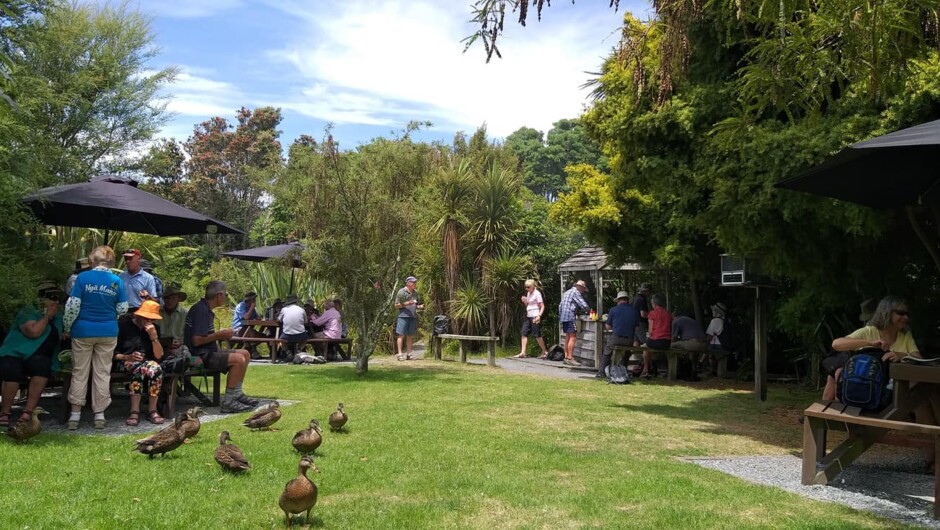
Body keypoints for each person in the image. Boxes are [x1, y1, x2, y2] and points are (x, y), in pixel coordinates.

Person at [63, 245, 128, 430]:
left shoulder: (83, 278)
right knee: (102, 372)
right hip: (108, 331)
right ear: (111, 261)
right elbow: (123, 308)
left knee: (79, 371)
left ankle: (74, 416)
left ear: (93, 260)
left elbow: (72, 306)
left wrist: (67, 326)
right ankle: (99, 415)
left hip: (83, 331)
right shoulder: (116, 281)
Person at [184, 280, 259, 413]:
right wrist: (220, 335)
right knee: (238, 359)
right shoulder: (201, 310)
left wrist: (219, 335)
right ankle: (228, 401)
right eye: (225, 294)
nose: (226, 297)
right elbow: (196, 341)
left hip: (209, 350)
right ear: (218, 295)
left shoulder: (204, 308)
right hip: (200, 354)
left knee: (245, 353)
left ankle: (237, 393)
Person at [0, 282, 66, 428]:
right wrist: (47, 316)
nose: (55, 301)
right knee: (12, 370)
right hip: (16, 352)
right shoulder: (28, 311)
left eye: (57, 298)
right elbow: (33, 332)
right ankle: (5, 413)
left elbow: (63, 333)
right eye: (51, 297)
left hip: (40, 357)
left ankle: (28, 412)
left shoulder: (59, 316)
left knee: (42, 366)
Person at [827, 296, 920, 398]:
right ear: (887, 312)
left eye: (907, 314)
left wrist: (902, 355)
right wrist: (869, 342)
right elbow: (836, 344)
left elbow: (919, 359)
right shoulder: (869, 331)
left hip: (895, 390)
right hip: (867, 389)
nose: (906, 317)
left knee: (922, 399)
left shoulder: (905, 335)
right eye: (901, 313)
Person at [114, 300, 165, 426]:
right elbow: (113, 354)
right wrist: (128, 356)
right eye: (148, 318)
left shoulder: (154, 329)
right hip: (125, 361)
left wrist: (154, 337)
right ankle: (134, 410)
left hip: (147, 362)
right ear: (139, 316)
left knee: (156, 368)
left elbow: (159, 355)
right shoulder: (123, 327)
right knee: (138, 368)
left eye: (153, 319)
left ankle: (152, 410)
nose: (150, 322)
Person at [821, 298, 876, 400]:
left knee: (839, 374)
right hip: (861, 364)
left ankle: (839, 411)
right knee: (833, 375)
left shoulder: (891, 332)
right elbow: (838, 344)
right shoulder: (866, 330)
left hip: (871, 369)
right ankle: (825, 411)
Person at [597, 290, 639, 379]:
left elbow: (608, 327)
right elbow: (636, 326)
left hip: (616, 338)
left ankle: (602, 372)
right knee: (627, 353)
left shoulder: (613, 310)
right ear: (627, 300)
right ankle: (623, 371)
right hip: (629, 340)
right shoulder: (634, 311)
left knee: (607, 352)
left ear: (618, 300)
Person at [558, 279, 590, 367]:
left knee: (568, 336)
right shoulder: (576, 292)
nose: (583, 291)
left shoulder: (567, 292)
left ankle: (566, 357)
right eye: (583, 289)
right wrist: (589, 311)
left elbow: (560, 305)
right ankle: (570, 358)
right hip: (570, 316)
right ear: (580, 287)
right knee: (573, 337)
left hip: (564, 317)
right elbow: (583, 304)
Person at [641, 293, 672, 377]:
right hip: (667, 342)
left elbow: (650, 331)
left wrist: (649, 335)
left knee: (645, 347)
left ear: (653, 304)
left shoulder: (652, 313)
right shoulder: (668, 314)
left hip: (656, 340)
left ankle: (646, 369)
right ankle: (669, 369)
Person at [516, 279, 549, 359]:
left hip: (535, 315)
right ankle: (523, 352)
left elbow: (542, 306)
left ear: (533, 286)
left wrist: (539, 316)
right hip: (528, 315)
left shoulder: (537, 293)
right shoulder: (528, 293)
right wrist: (525, 301)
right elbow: (528, 304)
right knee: (524, 333)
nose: (526, 289)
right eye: (526, 287)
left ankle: (544, 351)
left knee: (537, 334)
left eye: (528, 287)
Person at [394, 276, 424, 361]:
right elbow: (396, 305)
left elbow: (415, 304)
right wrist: (407, 303)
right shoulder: (401, 292)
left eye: (415, 282)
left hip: (412, 316)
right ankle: (400, 354)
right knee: (401, 335)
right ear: (408, 283)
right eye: (413, 282)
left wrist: (419, 306)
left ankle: (409, 354)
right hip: (403, 316)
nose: (415, 284)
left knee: (410, 336)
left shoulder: (415, 293)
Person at [158, 283, 189, 356]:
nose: (169, 300)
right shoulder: (156, 312)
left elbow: (190, 335)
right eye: (167, 298)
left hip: (179, 346)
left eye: (173, 297)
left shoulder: (185, 314)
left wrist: (181, 342)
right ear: (163, 299)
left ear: (178, 299)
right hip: (159, 345)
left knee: (185, 356)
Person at [278, 295, 309, 361]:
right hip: (300, 334)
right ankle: (299, 350)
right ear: (296, 301)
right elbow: (306, 322)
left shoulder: (284, 309)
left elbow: (279, 320)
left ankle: (288, 352)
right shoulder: (302, 309)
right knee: (305, 339)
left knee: (281, 341)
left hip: (287, 334)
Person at [704, 302, 731, 375]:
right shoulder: (726, 321)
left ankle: (711, 369)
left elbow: (709, 336)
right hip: (725, 345)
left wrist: (705, 343)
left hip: (717, 346)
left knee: (707, 351)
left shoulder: (714, 321)